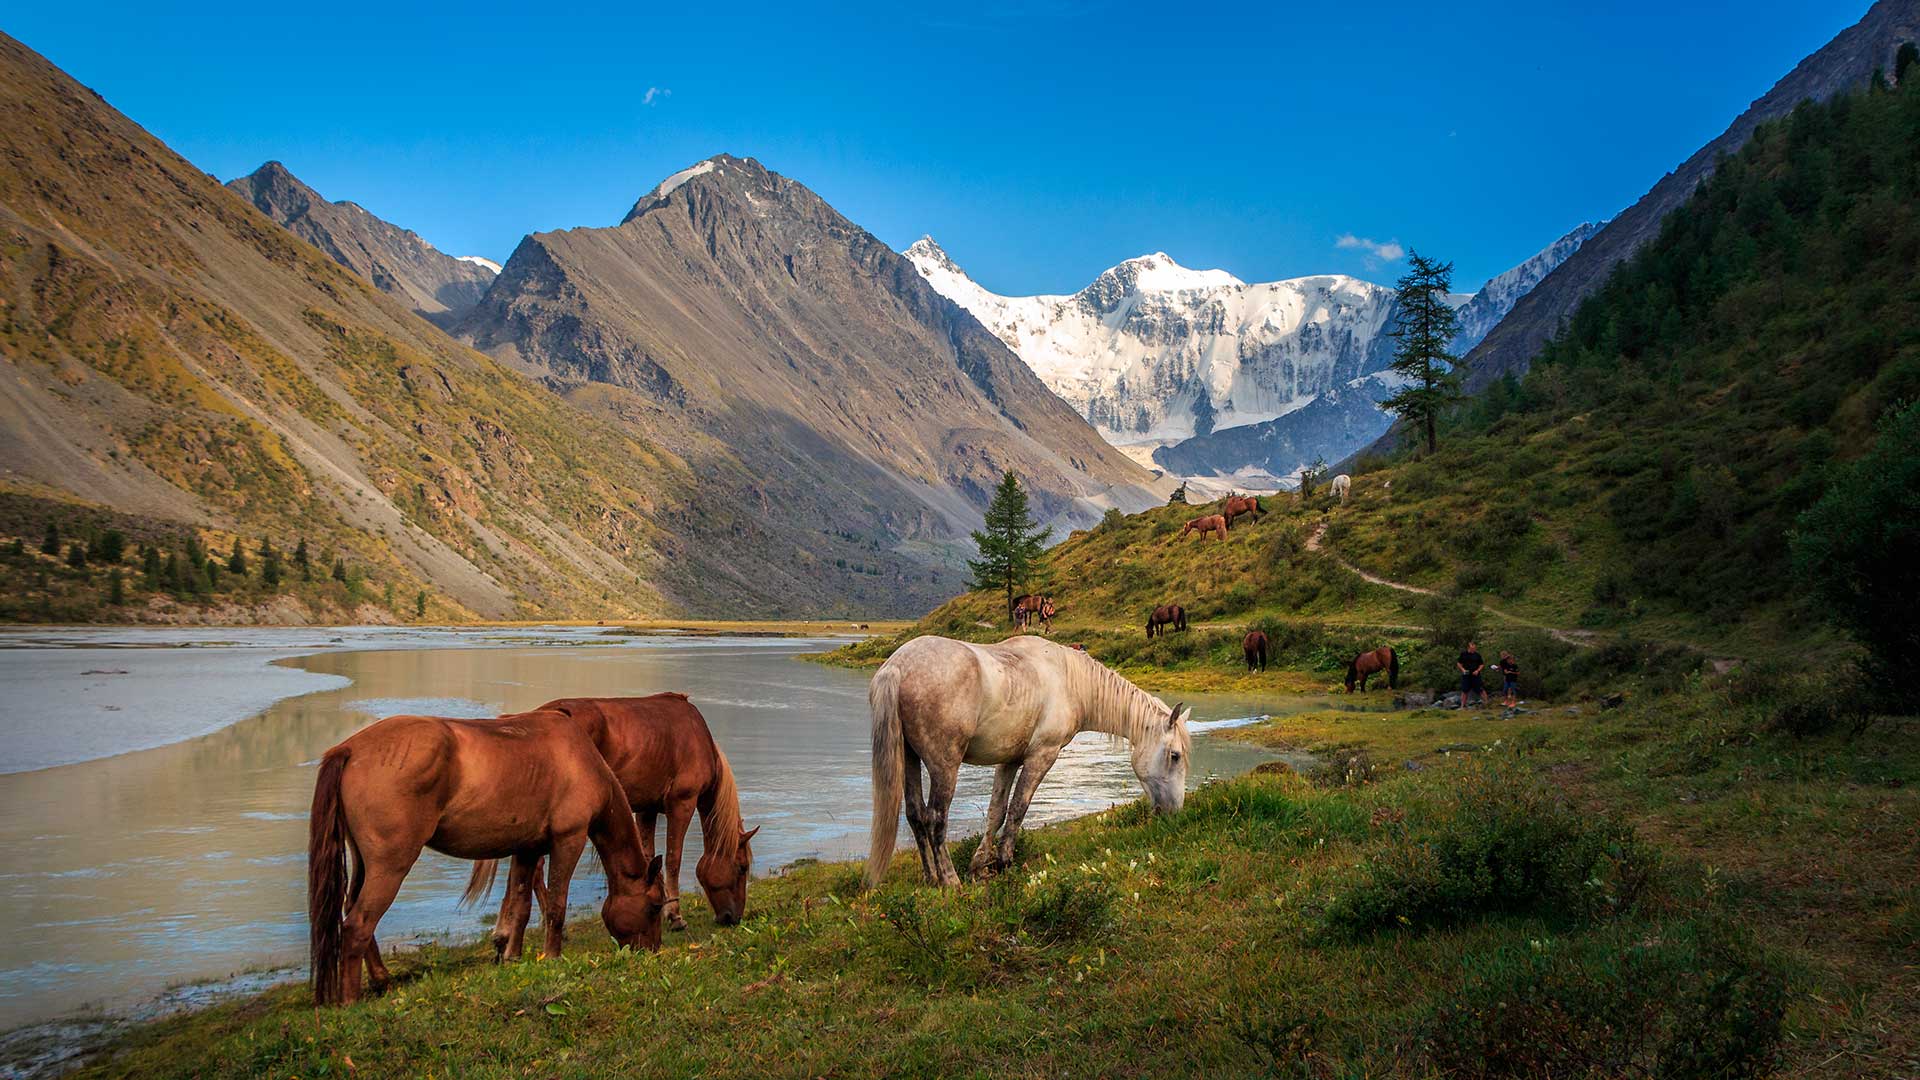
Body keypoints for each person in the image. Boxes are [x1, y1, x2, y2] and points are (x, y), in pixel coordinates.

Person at [1456, 641, 1486, 708]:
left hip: (1475, 674)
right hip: (1466, 674)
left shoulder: (1477, 655)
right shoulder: (1463, 654)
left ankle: (1486, 703)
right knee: (1464, 690)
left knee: (1480, 689)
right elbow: (1459, 663)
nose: (1474, 649)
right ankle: (1462, 706)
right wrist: (1463, 669)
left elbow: (1481, 664)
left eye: (1474, 648)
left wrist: (1478, 670)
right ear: (1469, 648)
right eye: (1472, 648)